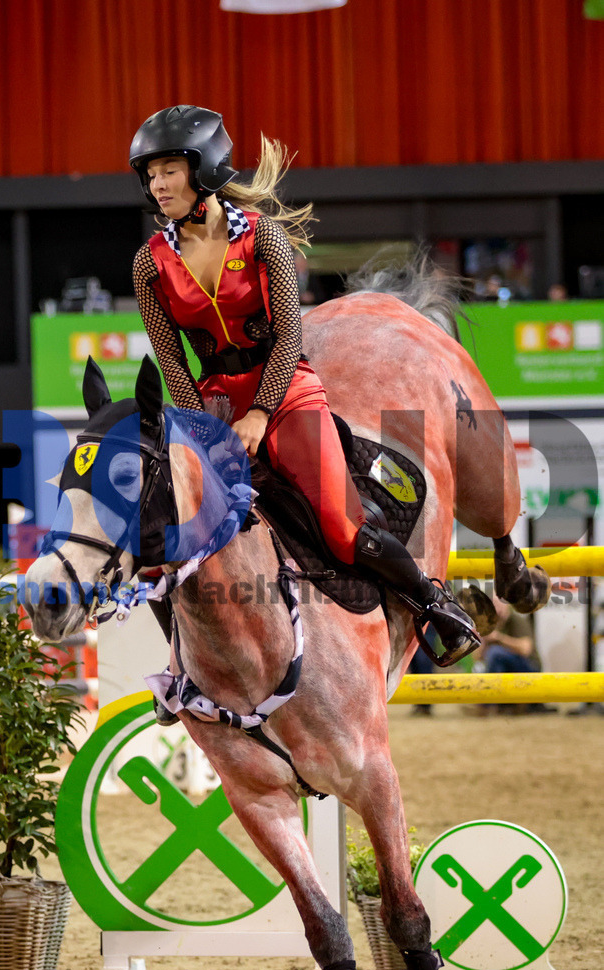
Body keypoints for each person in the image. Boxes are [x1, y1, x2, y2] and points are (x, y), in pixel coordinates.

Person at [129, 104, 480, 666]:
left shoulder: (263, 238)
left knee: (343, 528)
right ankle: (184, 665)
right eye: (149, 174)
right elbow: (172, 361)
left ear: (205, 167)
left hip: (286, 391)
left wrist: (261, 413)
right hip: (215, 405)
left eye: (168, 169)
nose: (156, 183)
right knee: (167, 535)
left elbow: (289, 334)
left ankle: (431, 601)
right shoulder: (149, 265)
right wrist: (204, 427)